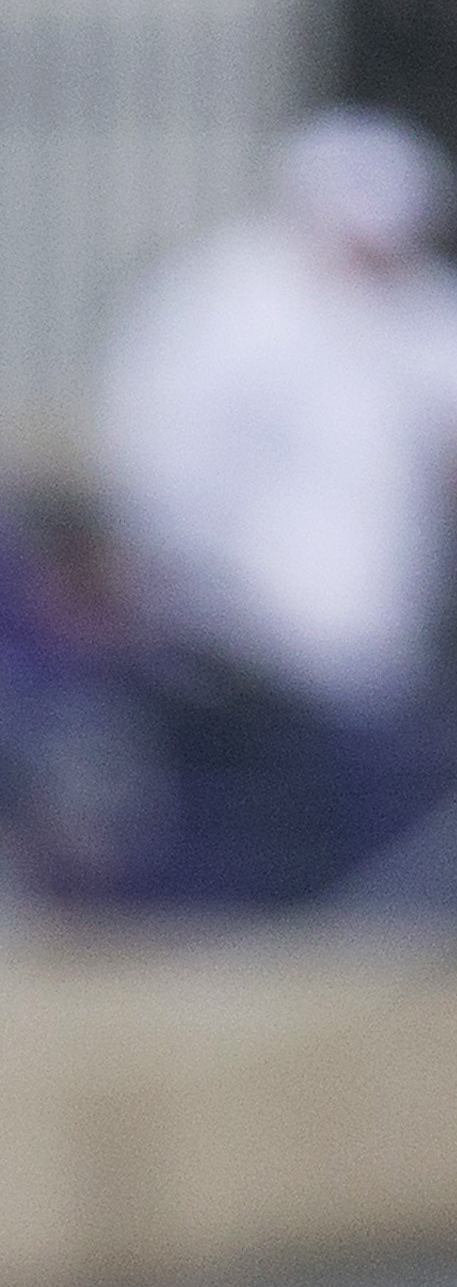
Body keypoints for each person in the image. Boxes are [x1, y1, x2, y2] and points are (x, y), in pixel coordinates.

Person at [96, 107, 457, 904]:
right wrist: (211, 597)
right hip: (240, 644)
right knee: (238, 865)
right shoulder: (224, 302)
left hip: (372, 651)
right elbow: (164, 467)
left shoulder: (417, 312)